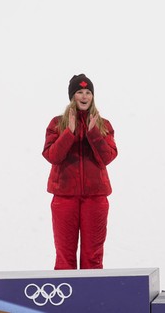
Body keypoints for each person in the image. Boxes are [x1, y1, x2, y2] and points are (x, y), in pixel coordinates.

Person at [42, 74, 118, 270]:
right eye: (79, 92)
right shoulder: (57, 124)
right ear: (72, 96)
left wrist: (94, 133)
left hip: (96, 199)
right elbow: (52, 156)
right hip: (64, 199)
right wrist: (69, 133)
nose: (84, 97)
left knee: (93, 256)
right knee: (64, 256)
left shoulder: (104, 125)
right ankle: (67, 299)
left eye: (88, 92)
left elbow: (107, 158)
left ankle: (92, 299)